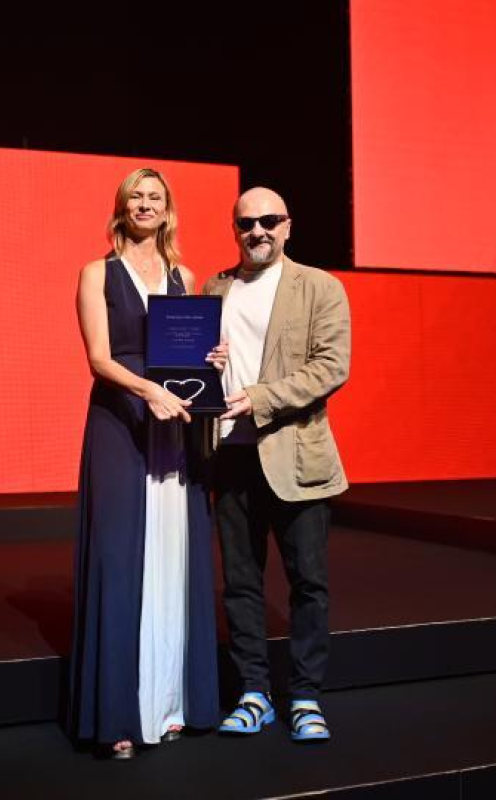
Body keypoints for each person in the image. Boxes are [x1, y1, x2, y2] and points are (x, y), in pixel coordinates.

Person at [68, 168, 224, 759]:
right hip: (120, 424)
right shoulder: (96, 273)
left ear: (167, 210)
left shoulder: (186, 277)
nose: (145, 204)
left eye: (155, 197)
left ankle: (171, 703)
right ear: (121, 207)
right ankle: (118, 716)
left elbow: (190, 357)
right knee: (119, 558)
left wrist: (211, 359)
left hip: (175, 428)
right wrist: (147, 391)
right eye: (136, 195)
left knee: (171, 553)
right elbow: (99, 359)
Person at [204, 187, 351, 743]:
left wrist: (259, 397)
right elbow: (198, 365)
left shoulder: (320, 287)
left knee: (308, 582)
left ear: (288, 226)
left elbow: (331, 367)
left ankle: (306, 695)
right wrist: (205, 364)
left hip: (296, 456)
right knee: (240, 583)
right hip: (230, 455)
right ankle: (254, 693)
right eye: (246, 223)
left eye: (268, 221)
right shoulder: (214, 288)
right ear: (235, 229)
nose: (257, 231)